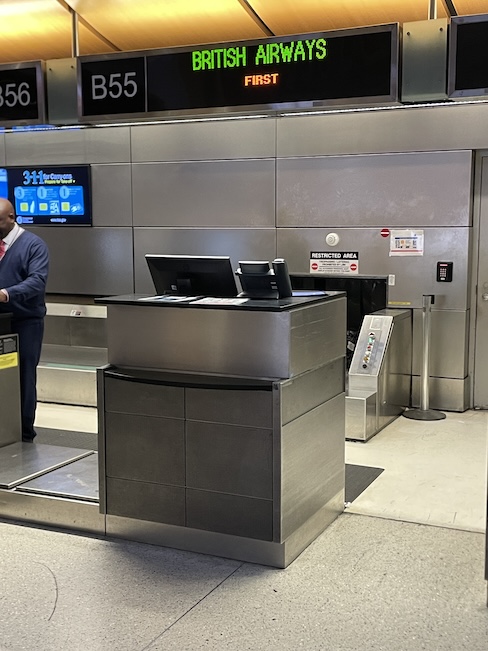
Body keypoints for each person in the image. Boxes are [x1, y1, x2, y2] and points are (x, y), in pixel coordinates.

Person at [0, 198, 49, 442]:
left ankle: (24, 431)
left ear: (11, 217)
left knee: (23, 376)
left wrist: (6, 293)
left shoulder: (33, 245)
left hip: (25, 322)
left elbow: (37, 281)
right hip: (1, 321)